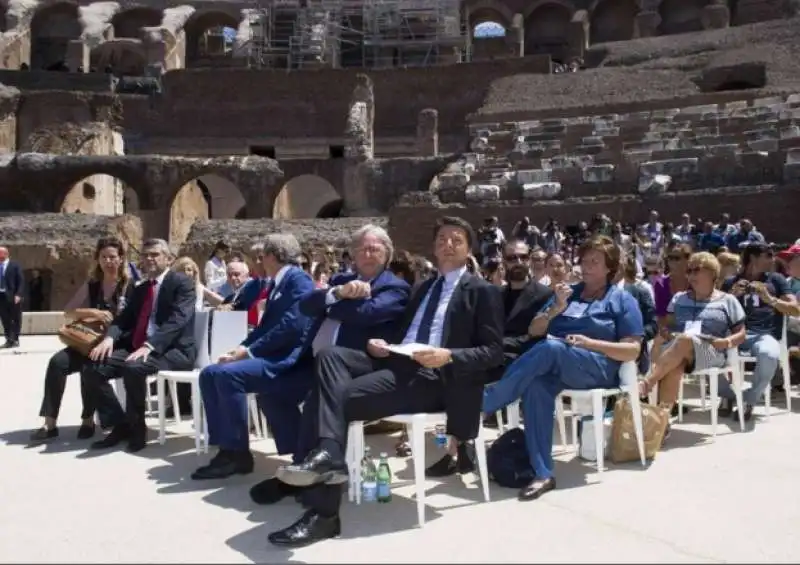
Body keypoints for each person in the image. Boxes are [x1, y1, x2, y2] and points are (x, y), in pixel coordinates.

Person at [268, 216, 504, 547]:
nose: (448, 244)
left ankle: (323, 509)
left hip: (436, 377)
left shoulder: (483, 291)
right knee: (330, 356)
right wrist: (377, 344)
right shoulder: (423, 288)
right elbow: (400, 333)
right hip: (397, 363)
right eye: (442, 239)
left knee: (330, 399)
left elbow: (495, 352)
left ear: (469, 250)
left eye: (457, 240)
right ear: (434, 248)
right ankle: (329, 461)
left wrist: (449, 355)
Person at [248, 224, 411, 504]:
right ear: (353, 254)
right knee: (273, 392)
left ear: (387, 254)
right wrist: (340, 293)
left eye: (374, 248)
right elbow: (307, 304)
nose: (368, 254)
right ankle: (301, 461)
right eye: (361, 248)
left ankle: (309, 473)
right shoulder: (342, 278)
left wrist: (333, 302)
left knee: (317, 398)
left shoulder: (395, 287)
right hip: (319, 362)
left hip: (361, 365)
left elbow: (368, 314)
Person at [482, 235, 644, 501]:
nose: (588, 266)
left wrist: (591, 343)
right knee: (536, 386)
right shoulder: (569, 292)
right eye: (585, 260)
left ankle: (489, 401)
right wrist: (555, 309)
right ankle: (543, 473)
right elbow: (535, 329)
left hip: (599, 366)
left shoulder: (621, 300)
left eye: (595, 261)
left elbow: (632, 349)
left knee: (551, 349)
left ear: (609, 268)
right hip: (559, 362)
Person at [191, 234, 315, 480]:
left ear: (271, 256)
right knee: (210, 373)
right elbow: (264, 328)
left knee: (227, 377)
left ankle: (238, 454)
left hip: (287, 361)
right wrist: (240, 347)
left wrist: (248, 352)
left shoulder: (298, 280)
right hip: (271, 355)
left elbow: (293, 325)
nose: (258, 262)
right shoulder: (279, 282)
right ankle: (226, 448)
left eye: (261, 256)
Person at [84, 238, 197, 453]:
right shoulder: (142, 287)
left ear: (169, 258)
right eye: (145, 255)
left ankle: (137, 430)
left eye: (155, 254)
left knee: (133, 368)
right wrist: (109, 338)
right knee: (93, 368)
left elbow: (178, 320)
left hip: (173, 350)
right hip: (140, 346)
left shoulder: (182, 283)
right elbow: (124, 319)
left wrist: (150, 345)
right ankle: (120, 425)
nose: (149, 259)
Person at [30, 237, 133, 443]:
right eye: (104, 257)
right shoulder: (92, 284)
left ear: (121, 259)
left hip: (115, 343)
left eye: (113, 257)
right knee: (57, 363)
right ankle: (50, 423)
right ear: (98, 259)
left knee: (90, 365)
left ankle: (88, 420)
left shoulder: (129, 285)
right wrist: (92, 312)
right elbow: (69, 311)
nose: (108, 261)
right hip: (87, 341)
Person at [640, 252, 746, 417]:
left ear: (712, 273)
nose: (691, 275)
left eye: (696, 270)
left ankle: (648, 382)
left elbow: (741, 334)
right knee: (676, 365)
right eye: (689, 271)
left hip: (711, 352)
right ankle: (662, 420)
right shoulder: (679, 298)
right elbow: (666, 325)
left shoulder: (727, 300)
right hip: (679, 352)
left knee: (685, 340)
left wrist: (726, 342)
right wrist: (666, 333)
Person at [721, 243, 800, 416]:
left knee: (769, 355)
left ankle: (749, 399)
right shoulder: (730, 282)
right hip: (733, 334)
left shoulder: (776, 280)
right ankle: (727, 395)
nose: (773, 259)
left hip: (764, 335)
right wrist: (731, 297)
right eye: (768, 255)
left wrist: (770, 298)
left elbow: (795, 309)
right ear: (754, 257)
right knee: (706, 352)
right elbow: (715, 311)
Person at [0, 246, 24, 348]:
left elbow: (21, 281)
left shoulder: (14, 266)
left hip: (13, 296)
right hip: (1, 297)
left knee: (16, 318)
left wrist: (18, 294)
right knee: (5, 319)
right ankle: (9, 339)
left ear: (5, 254)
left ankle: (15, 339)